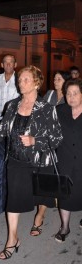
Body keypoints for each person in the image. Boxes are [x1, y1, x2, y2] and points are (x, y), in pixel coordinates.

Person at [0, 65, 63, 260]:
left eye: (26, 79)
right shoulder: (12, 105)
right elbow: (2, 130)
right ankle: (13, 239)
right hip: (16, 160)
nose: (21, 82)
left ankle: (40, 216)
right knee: (14, 200)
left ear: (36, 83)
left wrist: (34, 141)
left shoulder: (47, 108)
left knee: (41, 195)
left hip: (39, 161)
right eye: (20, 80)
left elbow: (57, 138)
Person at [30, 70, 71, 236]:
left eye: (59, 79)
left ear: (66, 82)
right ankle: (40, 214)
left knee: (60, 174)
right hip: (47, 140)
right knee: (46, 175)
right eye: (54, 78)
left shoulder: (70, 97)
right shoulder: (49, 94)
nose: (55, 81)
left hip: (65, 142)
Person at [54, 78, 82, 242]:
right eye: (68, 94)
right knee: (64, 195)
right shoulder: (59, 110)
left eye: (75, 93)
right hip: (64, 160)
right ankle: (65, 227)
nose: (71, 97)